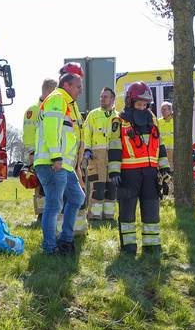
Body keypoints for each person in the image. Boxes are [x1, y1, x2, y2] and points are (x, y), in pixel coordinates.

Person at [108, 82, 169, 255]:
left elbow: (160, 145)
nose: (142, 107)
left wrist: (165, 169)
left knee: (151, 209)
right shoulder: (119, 121)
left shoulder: (153, 119)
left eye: (145, 104)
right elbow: (114, 147)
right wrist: (114, 171)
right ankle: (128, 247)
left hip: (150, 173)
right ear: (130, 102)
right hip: (128, 173)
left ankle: (152, 246)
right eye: (139, 104)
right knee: (127, 212)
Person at [33, 71, 85, 254]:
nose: (81, 90)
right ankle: (49, 247)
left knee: (78, 198)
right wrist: (56, 156)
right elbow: (50, 129)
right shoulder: (57, 99)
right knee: (54, 205)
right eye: (78, 86)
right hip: (53, 162)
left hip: (64, 165)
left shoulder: (68, 103)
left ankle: (65, 240)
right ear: (67, 85)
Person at [81, 87, 119, 224]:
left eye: (106, 97)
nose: (102, 99)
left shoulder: (118, 116)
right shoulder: (93, 114)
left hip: (114, 156)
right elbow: (87, 132)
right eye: (101, 96)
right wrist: (87, 149)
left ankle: (109, 216)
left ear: (113, 99)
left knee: (112, 187)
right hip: (96, 156)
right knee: (98, 186)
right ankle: (94, 216)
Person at [22, 79, 58, 219]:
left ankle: (51, 214)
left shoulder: (52, 108)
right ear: (49, 91)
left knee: (52, 186)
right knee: (41, 187)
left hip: (53, 155)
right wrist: (31, 153)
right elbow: (29, 133)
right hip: (39, 156)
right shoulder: (33, 111)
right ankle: (42, 216)